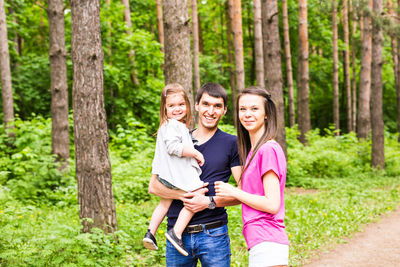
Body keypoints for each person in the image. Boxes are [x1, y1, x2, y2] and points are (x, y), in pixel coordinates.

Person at [148, 82, 242, 266]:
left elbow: (243, 192)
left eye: (217, 106)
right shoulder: (175, 140)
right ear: (197, 105)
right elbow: (154, 186)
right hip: (176, 232)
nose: (211, 111)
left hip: (214, 234)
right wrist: (189, 196)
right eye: (206, 104)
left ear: (224, 111)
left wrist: (208, 202)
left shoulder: (231, 143)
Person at [215, 86, 289, 267]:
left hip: (268, 240)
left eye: (254, 109)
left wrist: (234, 191)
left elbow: (272, 204)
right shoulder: (253, 152)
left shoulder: (268, 149)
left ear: (266, 114)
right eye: (243, 109)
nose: (247, 114)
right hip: (259, 240)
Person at [143, 83, 206, 256]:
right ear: (164, 109)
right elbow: (173, 147)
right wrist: (194, 153)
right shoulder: (173, 125)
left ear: (187, 105)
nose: (177, 109)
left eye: (180, 104)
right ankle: (176, 232)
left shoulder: (170, 126)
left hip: (165, 175)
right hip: (175, 176)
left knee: (164, 203)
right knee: (199, 192)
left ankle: (150, 233)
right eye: (171, 106)